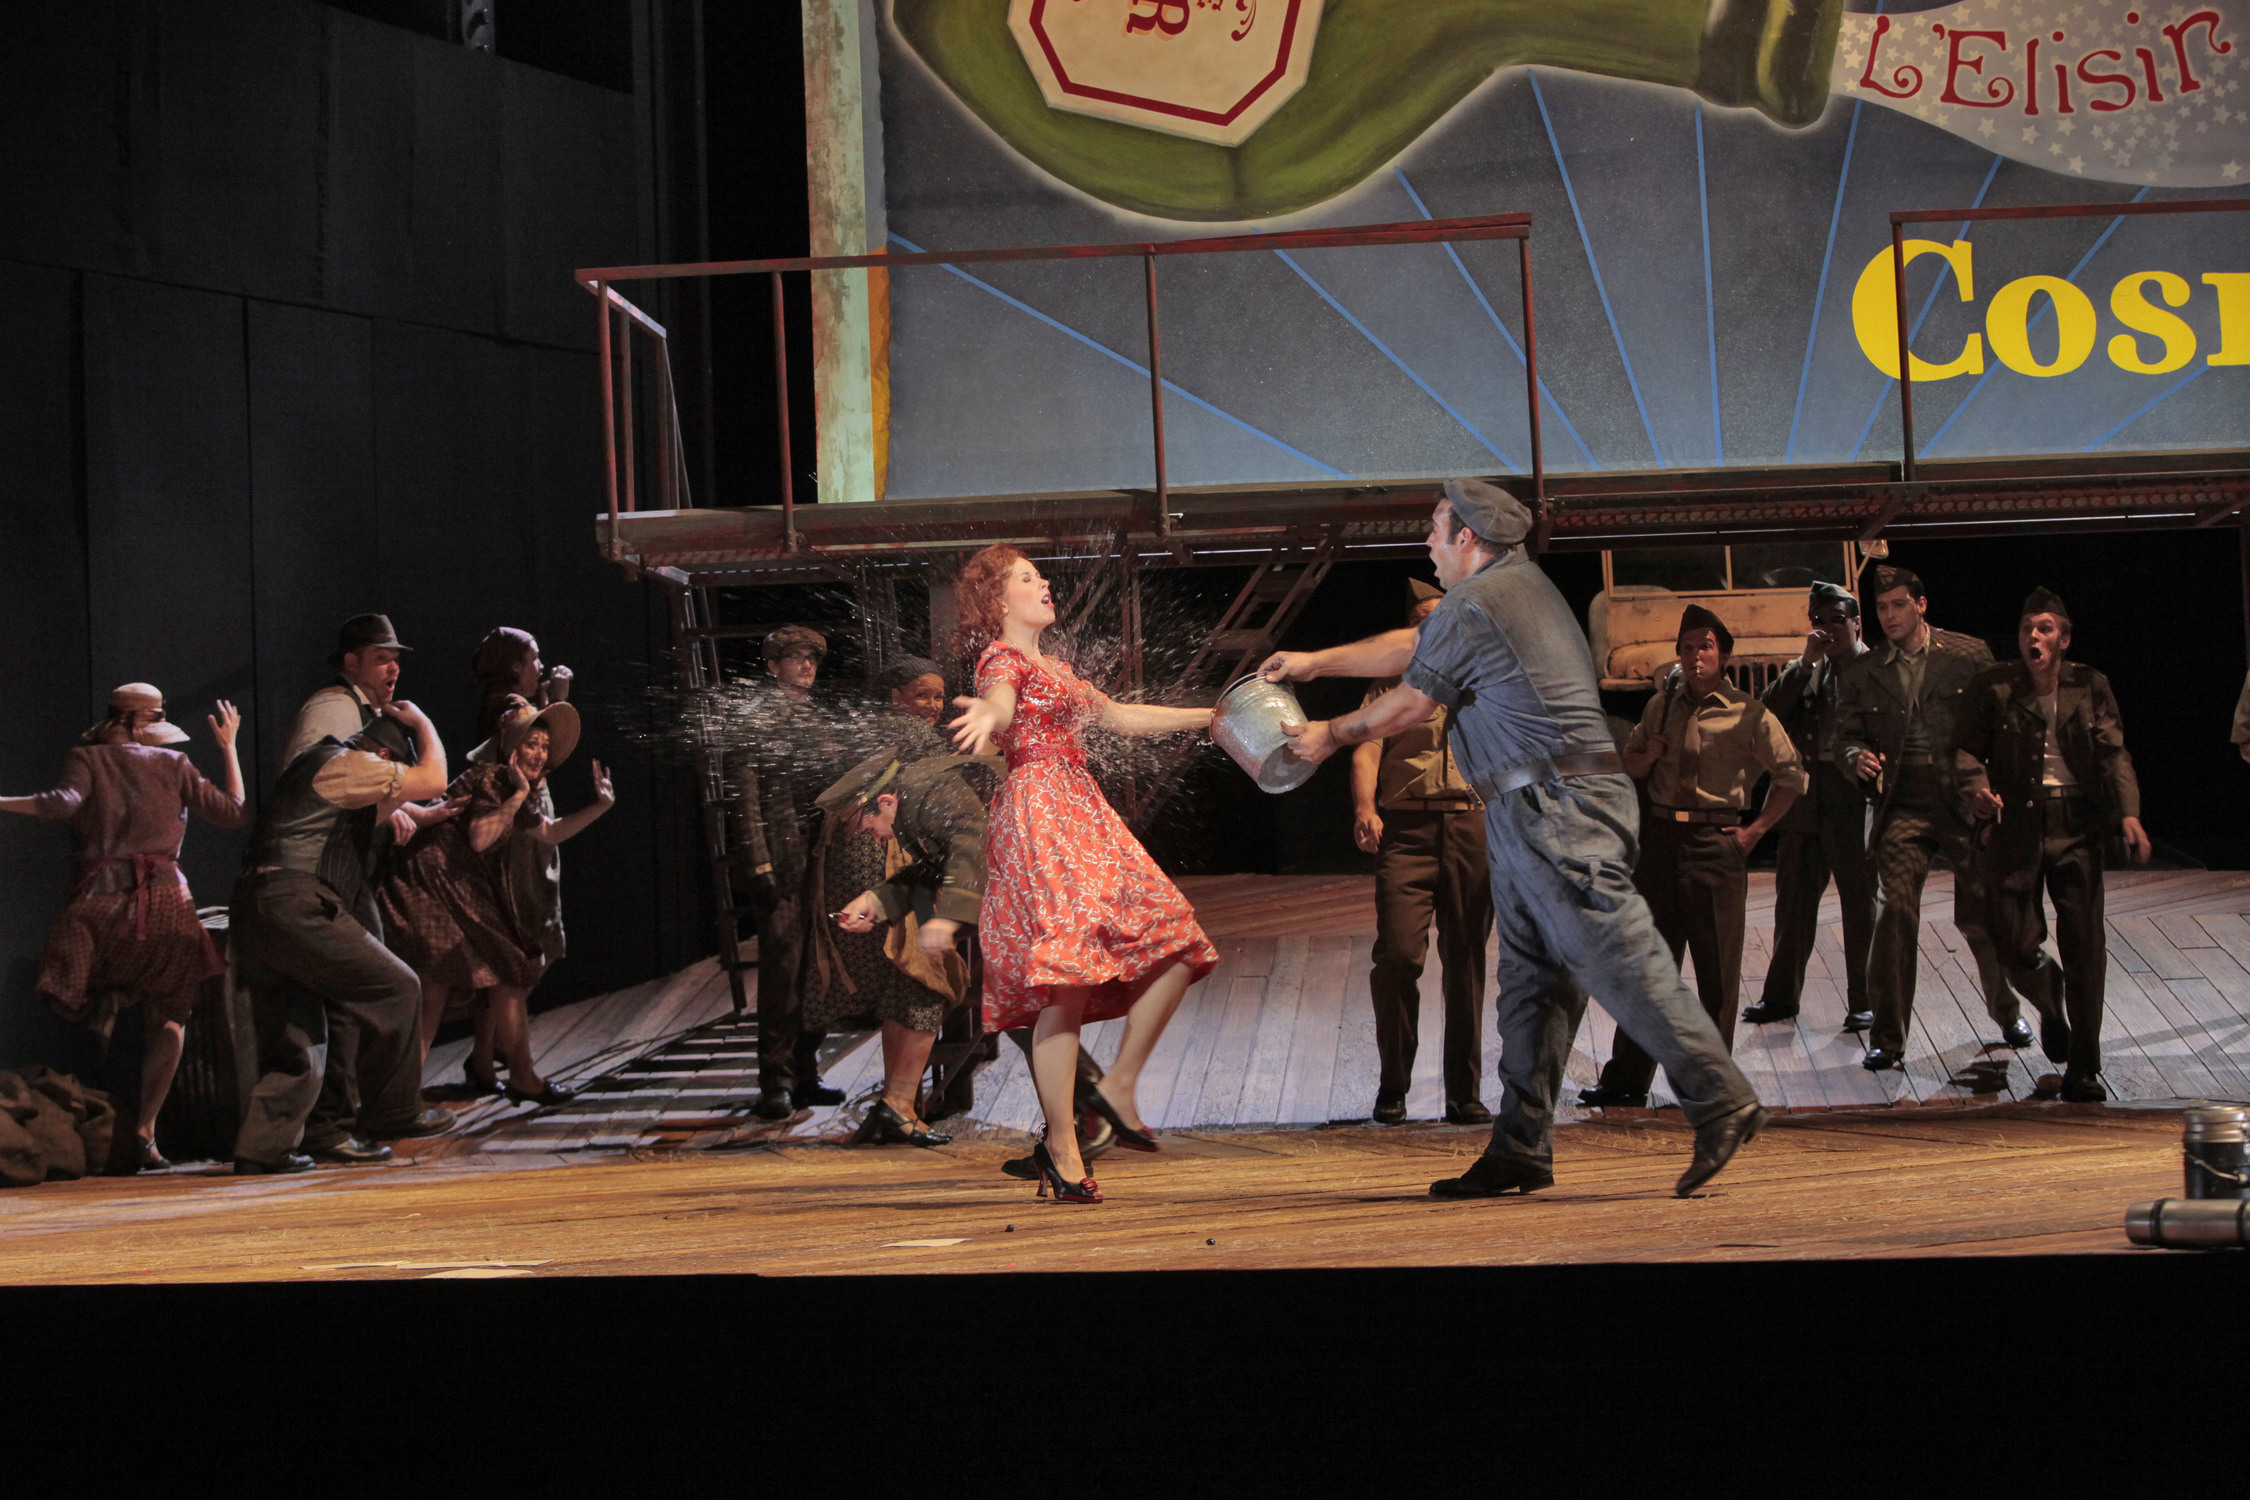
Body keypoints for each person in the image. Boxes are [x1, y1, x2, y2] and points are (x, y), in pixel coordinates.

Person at [1261, 479, 1766, 1199]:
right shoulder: (1503, 594)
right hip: (1530, 806)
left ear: (1468, 537)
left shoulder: (1483, 597)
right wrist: (1314, 663)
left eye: (1436, 529)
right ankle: (1521, 1147)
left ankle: (1721, 1098)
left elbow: (1414, 698)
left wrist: (1328, 735)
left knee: (1614, 952)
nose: (1428, 544)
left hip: (1561, 802)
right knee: (1533, 984)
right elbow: (1415, 646)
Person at [948, 546, 1218, 1204]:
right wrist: (990, 716)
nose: (1043, 584)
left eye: (1039, 575)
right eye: (1025, 578)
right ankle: (1063, 1147)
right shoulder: (1001, 659)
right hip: (1039, 811)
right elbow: (1002, 704)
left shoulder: (1057, 669)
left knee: (1178, 941)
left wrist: (1215, 716)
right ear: (997, 602)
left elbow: (1121, 716)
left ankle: (1118, 1086)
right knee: (1063, 982)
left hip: (1082, 809)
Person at [0, 685, 249, 1170]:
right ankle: (144, 1132)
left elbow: (61, 803)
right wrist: (229, 748)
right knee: (171, 1017)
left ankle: (92, 1081)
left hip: (99, 907)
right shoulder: (174, 766)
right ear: (141, 725)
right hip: (167, 907)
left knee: (79, 995)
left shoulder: (88, 757)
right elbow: (235, 813)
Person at [1580, 603, 1805, 1107]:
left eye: (1704, 646)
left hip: (1713, 846)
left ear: (1722, 655)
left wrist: (1755, 832)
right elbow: (1632, 766)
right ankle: (1627, 1079)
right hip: (1661, 842)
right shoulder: (1660, 706)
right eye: (1686, 646)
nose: (1695, 654)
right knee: (1649, 968)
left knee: (1716, 975)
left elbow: (1792, 776)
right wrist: (1647, 757)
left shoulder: (1749, 713)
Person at [230, 703, 457, 1173]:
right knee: (397, 986)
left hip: (258, 909)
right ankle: (394, 1111)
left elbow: (376, 816)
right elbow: (432, 778)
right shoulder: (351, 763)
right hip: (293, 903)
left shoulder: (316, 771)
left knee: (300, 1034)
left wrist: (422, 814)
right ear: (379, 754)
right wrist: (424, 722)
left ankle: (264, 1149)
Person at [1954, 587, 2149, 1103]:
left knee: (2085, 947)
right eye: (2026, 629)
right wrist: (1977, 790)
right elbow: (1964, 750)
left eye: (2043, 629)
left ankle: (2083, 1068)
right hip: (2015, 823)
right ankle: (2048, 996)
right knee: (2013, 943)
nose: (2033, 637)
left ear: (2063, 637)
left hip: (2076, 825)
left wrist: (2128, 813)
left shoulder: (2090, 685)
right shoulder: (1994, 687)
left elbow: (2113, 754)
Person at [379, 696, 615, 1105]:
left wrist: (601, 805)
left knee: (447, 983)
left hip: (450, 884)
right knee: (486, 970)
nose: (540, 753)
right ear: (509, 746)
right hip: (431, 882)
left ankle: (405, 1097)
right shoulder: (495, 779)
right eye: (531, 744)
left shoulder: (511, 785)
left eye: (544, 745)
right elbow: (480, 837)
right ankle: (512, 1078)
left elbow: (548, 834)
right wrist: (518, 795)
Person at [1832, 565, 2016, 1071]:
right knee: (1894, 911)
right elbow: (1844, 737)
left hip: (1962, 801)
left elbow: (2000, 728)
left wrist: (1993, 790)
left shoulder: (1967, 656)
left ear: (1921, 605)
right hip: (1902, 804)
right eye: (1882, 608)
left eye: (1898, 605)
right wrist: (1855, 759)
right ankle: (1889, 1037)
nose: (1889, 616)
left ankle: (2006, 1009)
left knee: (1980, 915)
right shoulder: (1864, 671)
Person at [1350, 579, 1493, 1126]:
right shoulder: (1393, 680)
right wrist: (1366, 807)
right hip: (1405, 832)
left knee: (1466, 961)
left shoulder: (1483, 680)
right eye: (1419, 619)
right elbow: (1367, 745)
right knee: (1399, 958)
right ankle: (1394, 1086)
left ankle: (1465, 1092)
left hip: (1469, 825)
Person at [818, 745, 1002, 1145]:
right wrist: (878, 901)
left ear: (884, 801)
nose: (867, 835)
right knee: (1018, 1008)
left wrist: (947, 916)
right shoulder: (913, 803)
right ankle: (1092, 1098)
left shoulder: (926, 790)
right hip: (1006, 877)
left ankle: (1094, 1099)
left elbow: (972, 838)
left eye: (864, 825)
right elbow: (930, 867)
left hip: (1034, 863)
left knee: (1025, 1004)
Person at [441, 627, 578, 1093]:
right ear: (515, 665)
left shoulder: (512, 702)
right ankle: (504, 1055)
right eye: (533, 659)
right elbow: (532, 762)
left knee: (514, 960)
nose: (540, 665)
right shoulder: (509, 708)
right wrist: (558, 699)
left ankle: (487, 1054)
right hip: (516, 843)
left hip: (522, 832)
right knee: (522, 949)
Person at [1744, 582, 1876, 1029]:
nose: (1828, 629)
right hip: (1805, 798)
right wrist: (1804, 664)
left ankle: (1865, 1000)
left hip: (1852, 797)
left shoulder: (1876, 670)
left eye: (1838, 619)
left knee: (1859, 902)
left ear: (1857, 622)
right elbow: (1768, 712)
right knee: (1793, 903)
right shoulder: (1807, 670)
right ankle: (1780, 996)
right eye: (1819, 620)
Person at [727, 625, 846, 1118]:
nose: (806, 667)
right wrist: (758, 861)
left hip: (819, 861)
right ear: (773, 666)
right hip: (780, 859)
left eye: (811, 660)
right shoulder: (755, 719)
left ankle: (805, 1071)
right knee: (781, 973)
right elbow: (746, 798)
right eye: (795, 659)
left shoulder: (817, 720)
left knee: (817, 973)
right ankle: (775, 1080)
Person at [281, 613, 411, 767]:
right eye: (381, 658)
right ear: (352, 663)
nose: (395, 668)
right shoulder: (337, 706)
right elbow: (303, 775)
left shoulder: (361, 708)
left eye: (396, 659)